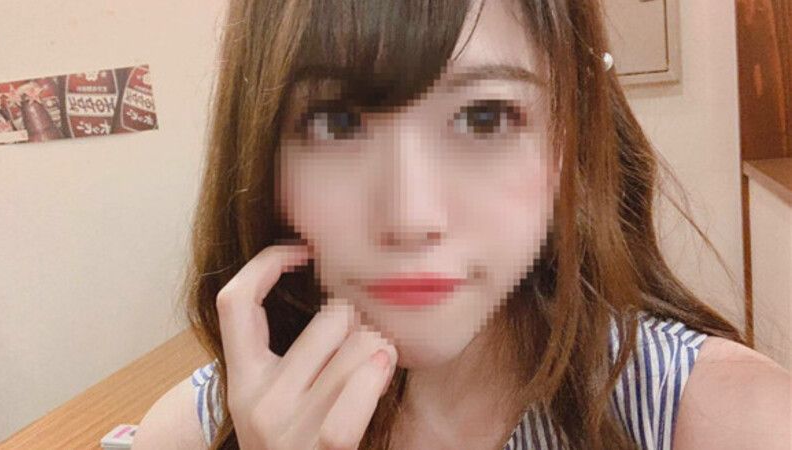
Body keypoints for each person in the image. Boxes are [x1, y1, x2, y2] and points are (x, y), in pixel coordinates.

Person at [133, 0, 792, 449]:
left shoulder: (726, 420)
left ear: (570, 142)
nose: (411, 218)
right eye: (335, 122)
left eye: (484, 118)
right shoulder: (190, 433)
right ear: (264, 155)